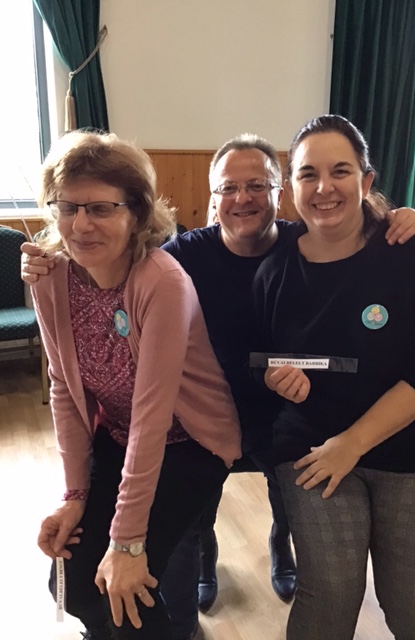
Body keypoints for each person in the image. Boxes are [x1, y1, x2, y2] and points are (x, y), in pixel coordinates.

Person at [21, 133, 415, 639]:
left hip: (278, 412)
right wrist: (79, 497)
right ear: (212, 198)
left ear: (280, 191)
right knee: (170, 547)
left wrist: (394, 218)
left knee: (287, 499)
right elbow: (90, 345)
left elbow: (355, 243)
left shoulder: (306, 247)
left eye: (257, 185)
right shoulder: (180, 256)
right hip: (197, 408)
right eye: (228, 188)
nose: (242, 198)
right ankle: (200, 562)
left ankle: (280, 544)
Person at [250, 115, 415, 640]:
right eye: (308, 174)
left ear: (366, 181)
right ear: (290, 188)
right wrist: (275, 378)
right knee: (330, 597)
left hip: (407, 447)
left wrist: (352, 443)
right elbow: (260, 360)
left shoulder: (412, 254)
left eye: (340, 171)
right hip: (309, 449)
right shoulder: (274, 271)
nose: (324, 188)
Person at [30, 130, 241, 640]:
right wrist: (75, 495)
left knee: (125, 592)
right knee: (70, 587)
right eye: (68, 207)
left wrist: (125, 543)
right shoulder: (49, 277)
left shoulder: (161, 282)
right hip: (119, 436)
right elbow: (63, 390)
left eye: (101, 208)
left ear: (137, 214)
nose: (81, 224)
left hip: (190, 443)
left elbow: (153, 415)